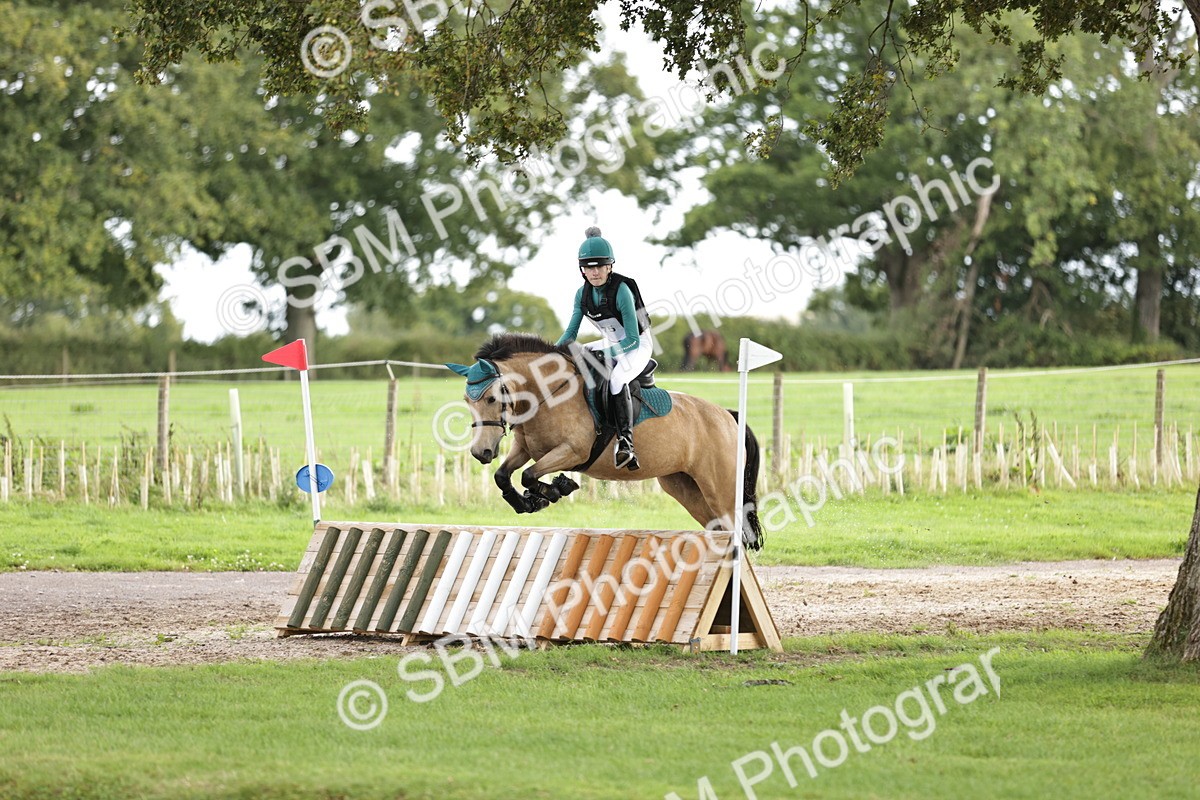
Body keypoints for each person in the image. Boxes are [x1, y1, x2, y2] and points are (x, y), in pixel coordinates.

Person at [555, 226, 654, 471]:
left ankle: (626, 444)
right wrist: (549, 354)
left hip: (637, 345)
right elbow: (570, 336)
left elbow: (631, 338)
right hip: (610, 343)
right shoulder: (582, 295)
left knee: (618, 379)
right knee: (573, 360)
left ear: (610, 267)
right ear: (582, 270)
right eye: (589, 267)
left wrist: (603, 354)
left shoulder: (621, 290)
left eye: (600, 266)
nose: (595, 272)